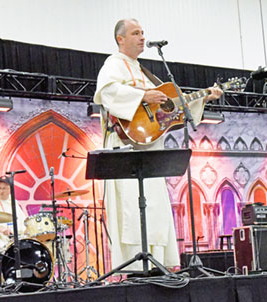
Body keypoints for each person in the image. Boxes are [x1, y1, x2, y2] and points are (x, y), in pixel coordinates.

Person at [93, 18, 223, 271]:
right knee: (132, 206)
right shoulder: (113, 65)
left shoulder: (143, 71)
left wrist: (202, 96)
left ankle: (156, 263)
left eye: (143, 33)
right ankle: (133, 267)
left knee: (154, 204)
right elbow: (107, 93)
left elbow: (168, 108)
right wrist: (142, 95)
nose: (142, 37)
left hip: (150, 145)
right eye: (135, 33)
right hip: (125, 145)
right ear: (120, 39)